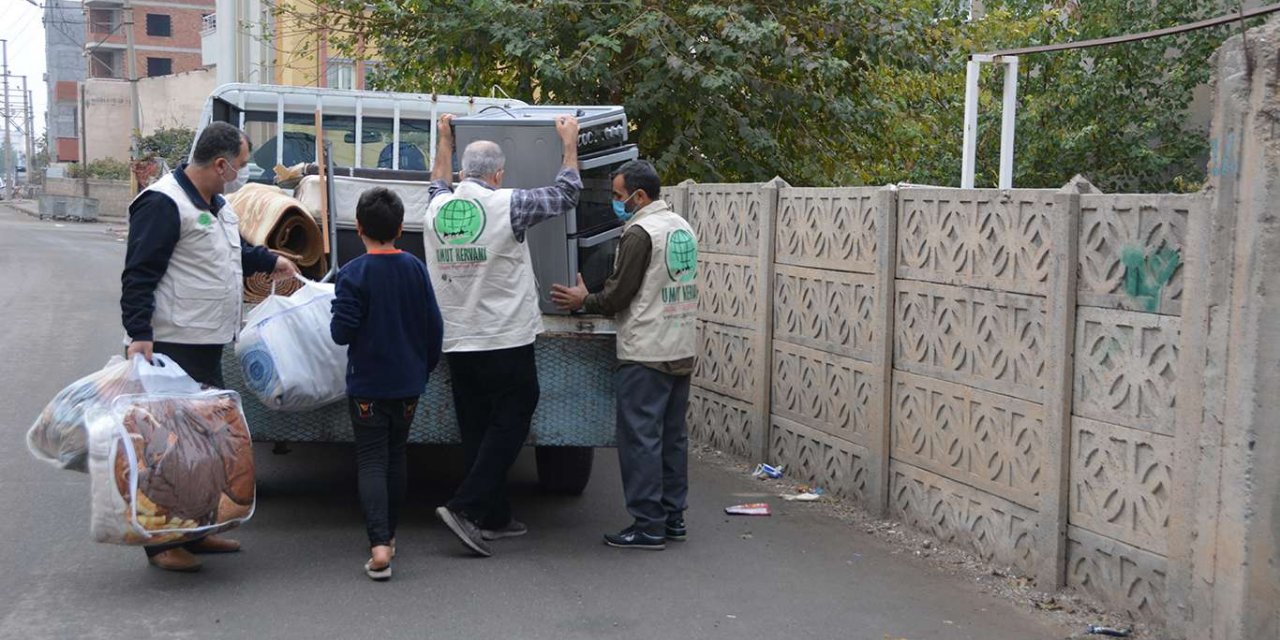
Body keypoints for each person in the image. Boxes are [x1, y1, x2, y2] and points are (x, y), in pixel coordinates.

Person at [120, 121, 300, 572]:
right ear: (220, 165)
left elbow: (236, 253)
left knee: (208, 446)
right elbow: (138, 274)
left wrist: (272, 259)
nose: (240, 174)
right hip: (174, 343)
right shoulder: (163, 203)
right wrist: (139, 334)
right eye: (238, 167)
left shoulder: (217, 205)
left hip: (208, 340)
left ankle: (197, 533)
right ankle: (163, 544)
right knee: (171, 452)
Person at [424, 113, 580, 557]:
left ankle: (492, 516)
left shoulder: (437, 205)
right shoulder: (508, 204)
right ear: (498, 175)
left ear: (462, 175)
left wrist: (443, 140)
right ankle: (467, 507)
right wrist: (568, 143)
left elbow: (438, 179)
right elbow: (567, 192)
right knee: (515, 412)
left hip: (456, 337)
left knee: (476, 424)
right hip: (503, 337)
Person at [550, 159, 698, 551]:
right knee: (672, 438)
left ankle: (648, 525)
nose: (616, 203)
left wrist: (584, 299)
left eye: (619, 196)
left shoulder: (639, 233)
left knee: (641, 440)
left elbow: (617, 296)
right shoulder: (681, 227)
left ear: (639, 196)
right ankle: (673, 518)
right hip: (680, 346)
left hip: (646, 351)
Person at [330, 187, 444, 581]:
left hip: (368, 387)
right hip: (408, 384)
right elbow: (435, 327)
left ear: (359, 227)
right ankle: (390, 538)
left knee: (372, 460)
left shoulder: (352, 273)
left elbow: (341, 334)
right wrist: (423, 369)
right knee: (397, 457)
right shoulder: (415, 268)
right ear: (400, 228)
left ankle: (379, 545)